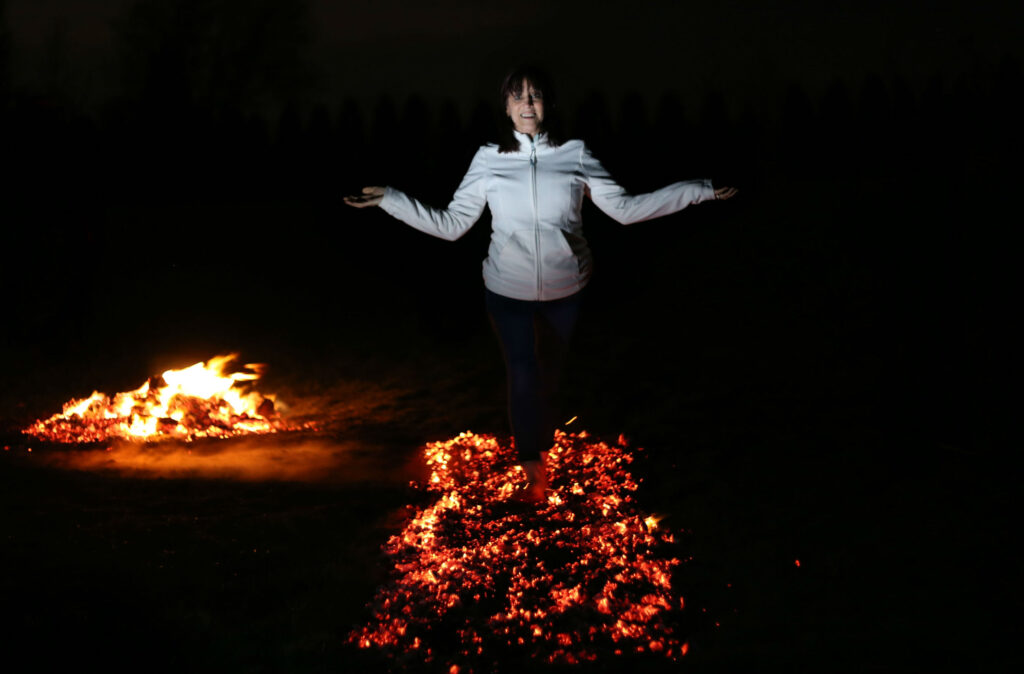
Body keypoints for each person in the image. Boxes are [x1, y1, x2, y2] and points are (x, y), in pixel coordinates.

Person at [345, 66, 737, 502]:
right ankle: (533, 465)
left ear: (548, 103)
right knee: (523, 370)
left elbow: (626, 209)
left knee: (548, 376)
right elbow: (452, 224)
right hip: (506, 290)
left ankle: (543, 438)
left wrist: (699, 190)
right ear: (506, 106)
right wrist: (390, 200)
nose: (527, 105)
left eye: (535, 96)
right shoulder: (489, 157)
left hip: (565, 288)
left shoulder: (575, 153)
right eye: (518, 97)